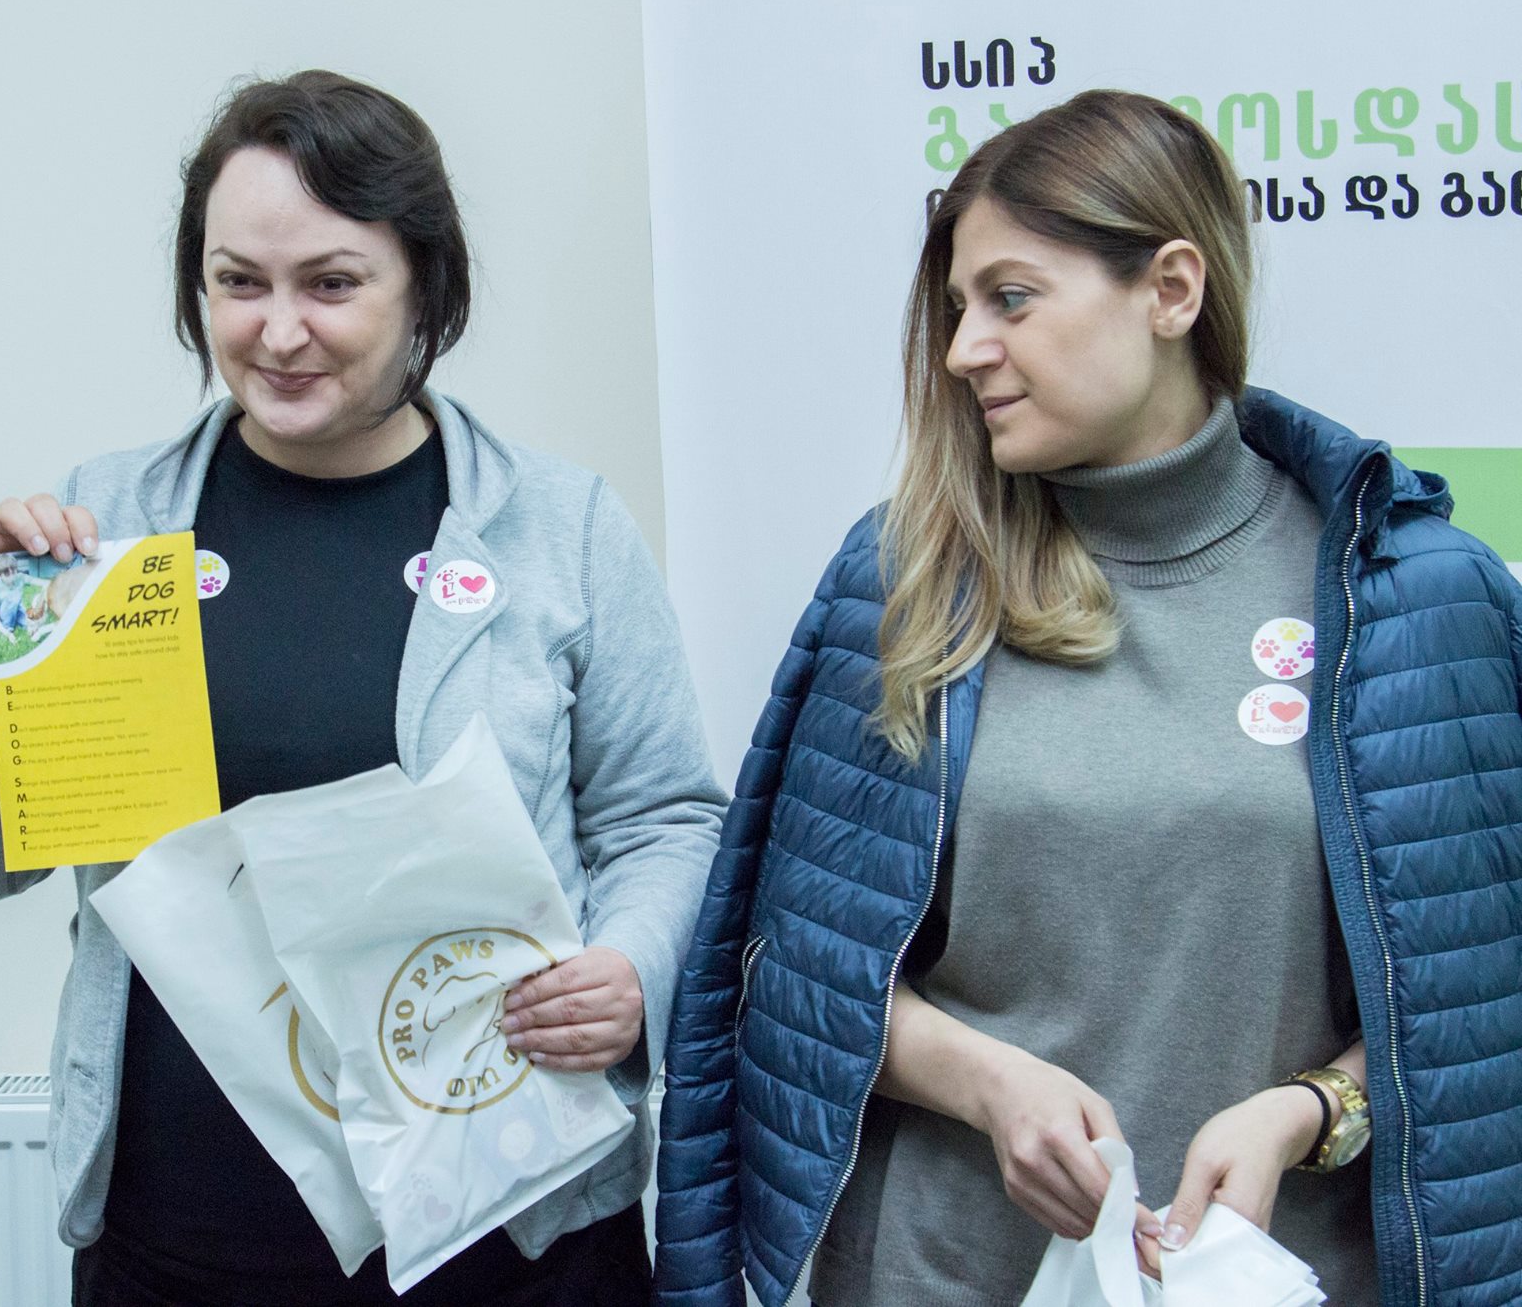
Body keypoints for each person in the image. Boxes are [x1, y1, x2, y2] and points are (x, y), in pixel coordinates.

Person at [650, 89, 1522, 1307]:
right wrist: (985, 1084)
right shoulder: (904, 577)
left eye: (1009, 299)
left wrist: (1308, 1110)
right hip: (940, 1274)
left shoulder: (1410, 595)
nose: (962, 350)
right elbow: (787, 975)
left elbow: (1480, 1002)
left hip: (1271, 1280)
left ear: (1169, 291)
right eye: (956, 309)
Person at [0, 70, 725, 1307]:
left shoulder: (559, 528)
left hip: (514, 1245)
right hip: (179, 1247)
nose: (278, 333)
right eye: (239, 282)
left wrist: (630, 968)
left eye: (331, 285)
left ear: (423, 288)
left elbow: (663, 818)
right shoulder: (104, 528)